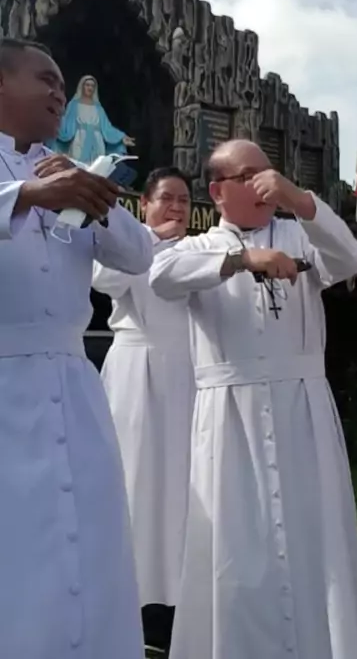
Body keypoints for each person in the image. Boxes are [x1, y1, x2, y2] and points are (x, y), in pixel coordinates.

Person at [149, 139, 357, 659]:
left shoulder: (300, 235)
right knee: (235, 547)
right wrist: (241, 259)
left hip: (302, 409)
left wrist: (299, 200)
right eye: (248, 175)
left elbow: (349, 258)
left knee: (313, 535)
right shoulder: (198, 247)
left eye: (268, 172)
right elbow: (160, 277)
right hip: (228, 416)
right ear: (218, 191)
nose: (264, 183)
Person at [0, 38, 153, 659]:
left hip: (73, 388)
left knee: (87, 542)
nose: (60, 93)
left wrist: (95, 197)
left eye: (64, 85)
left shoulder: (73, 171)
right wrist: (26, 196)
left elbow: (139, 256)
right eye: (46, 79)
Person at [92, 167, 196, 658]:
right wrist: (149, 241)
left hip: (188, 375)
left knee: (182, 487)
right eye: (167, 198)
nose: (176, 208)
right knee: (137, 483)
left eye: (184, 200)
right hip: (137, 372)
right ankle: (132, 603)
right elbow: (105, 279)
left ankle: (179, 602)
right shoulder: (130, 245)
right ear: (145, 205)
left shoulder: (199, 250)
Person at [49, 73, 135, 164]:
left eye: (92, 86)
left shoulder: (98, 108)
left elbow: (107, 128)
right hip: (79, 141)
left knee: (97, 166)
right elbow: (66, 123)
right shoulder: (74, 105)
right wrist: (53, 122)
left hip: (97, 143)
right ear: (82, 86)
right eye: (87, 85)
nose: (90, 88)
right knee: (78, 166)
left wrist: (121, 137)